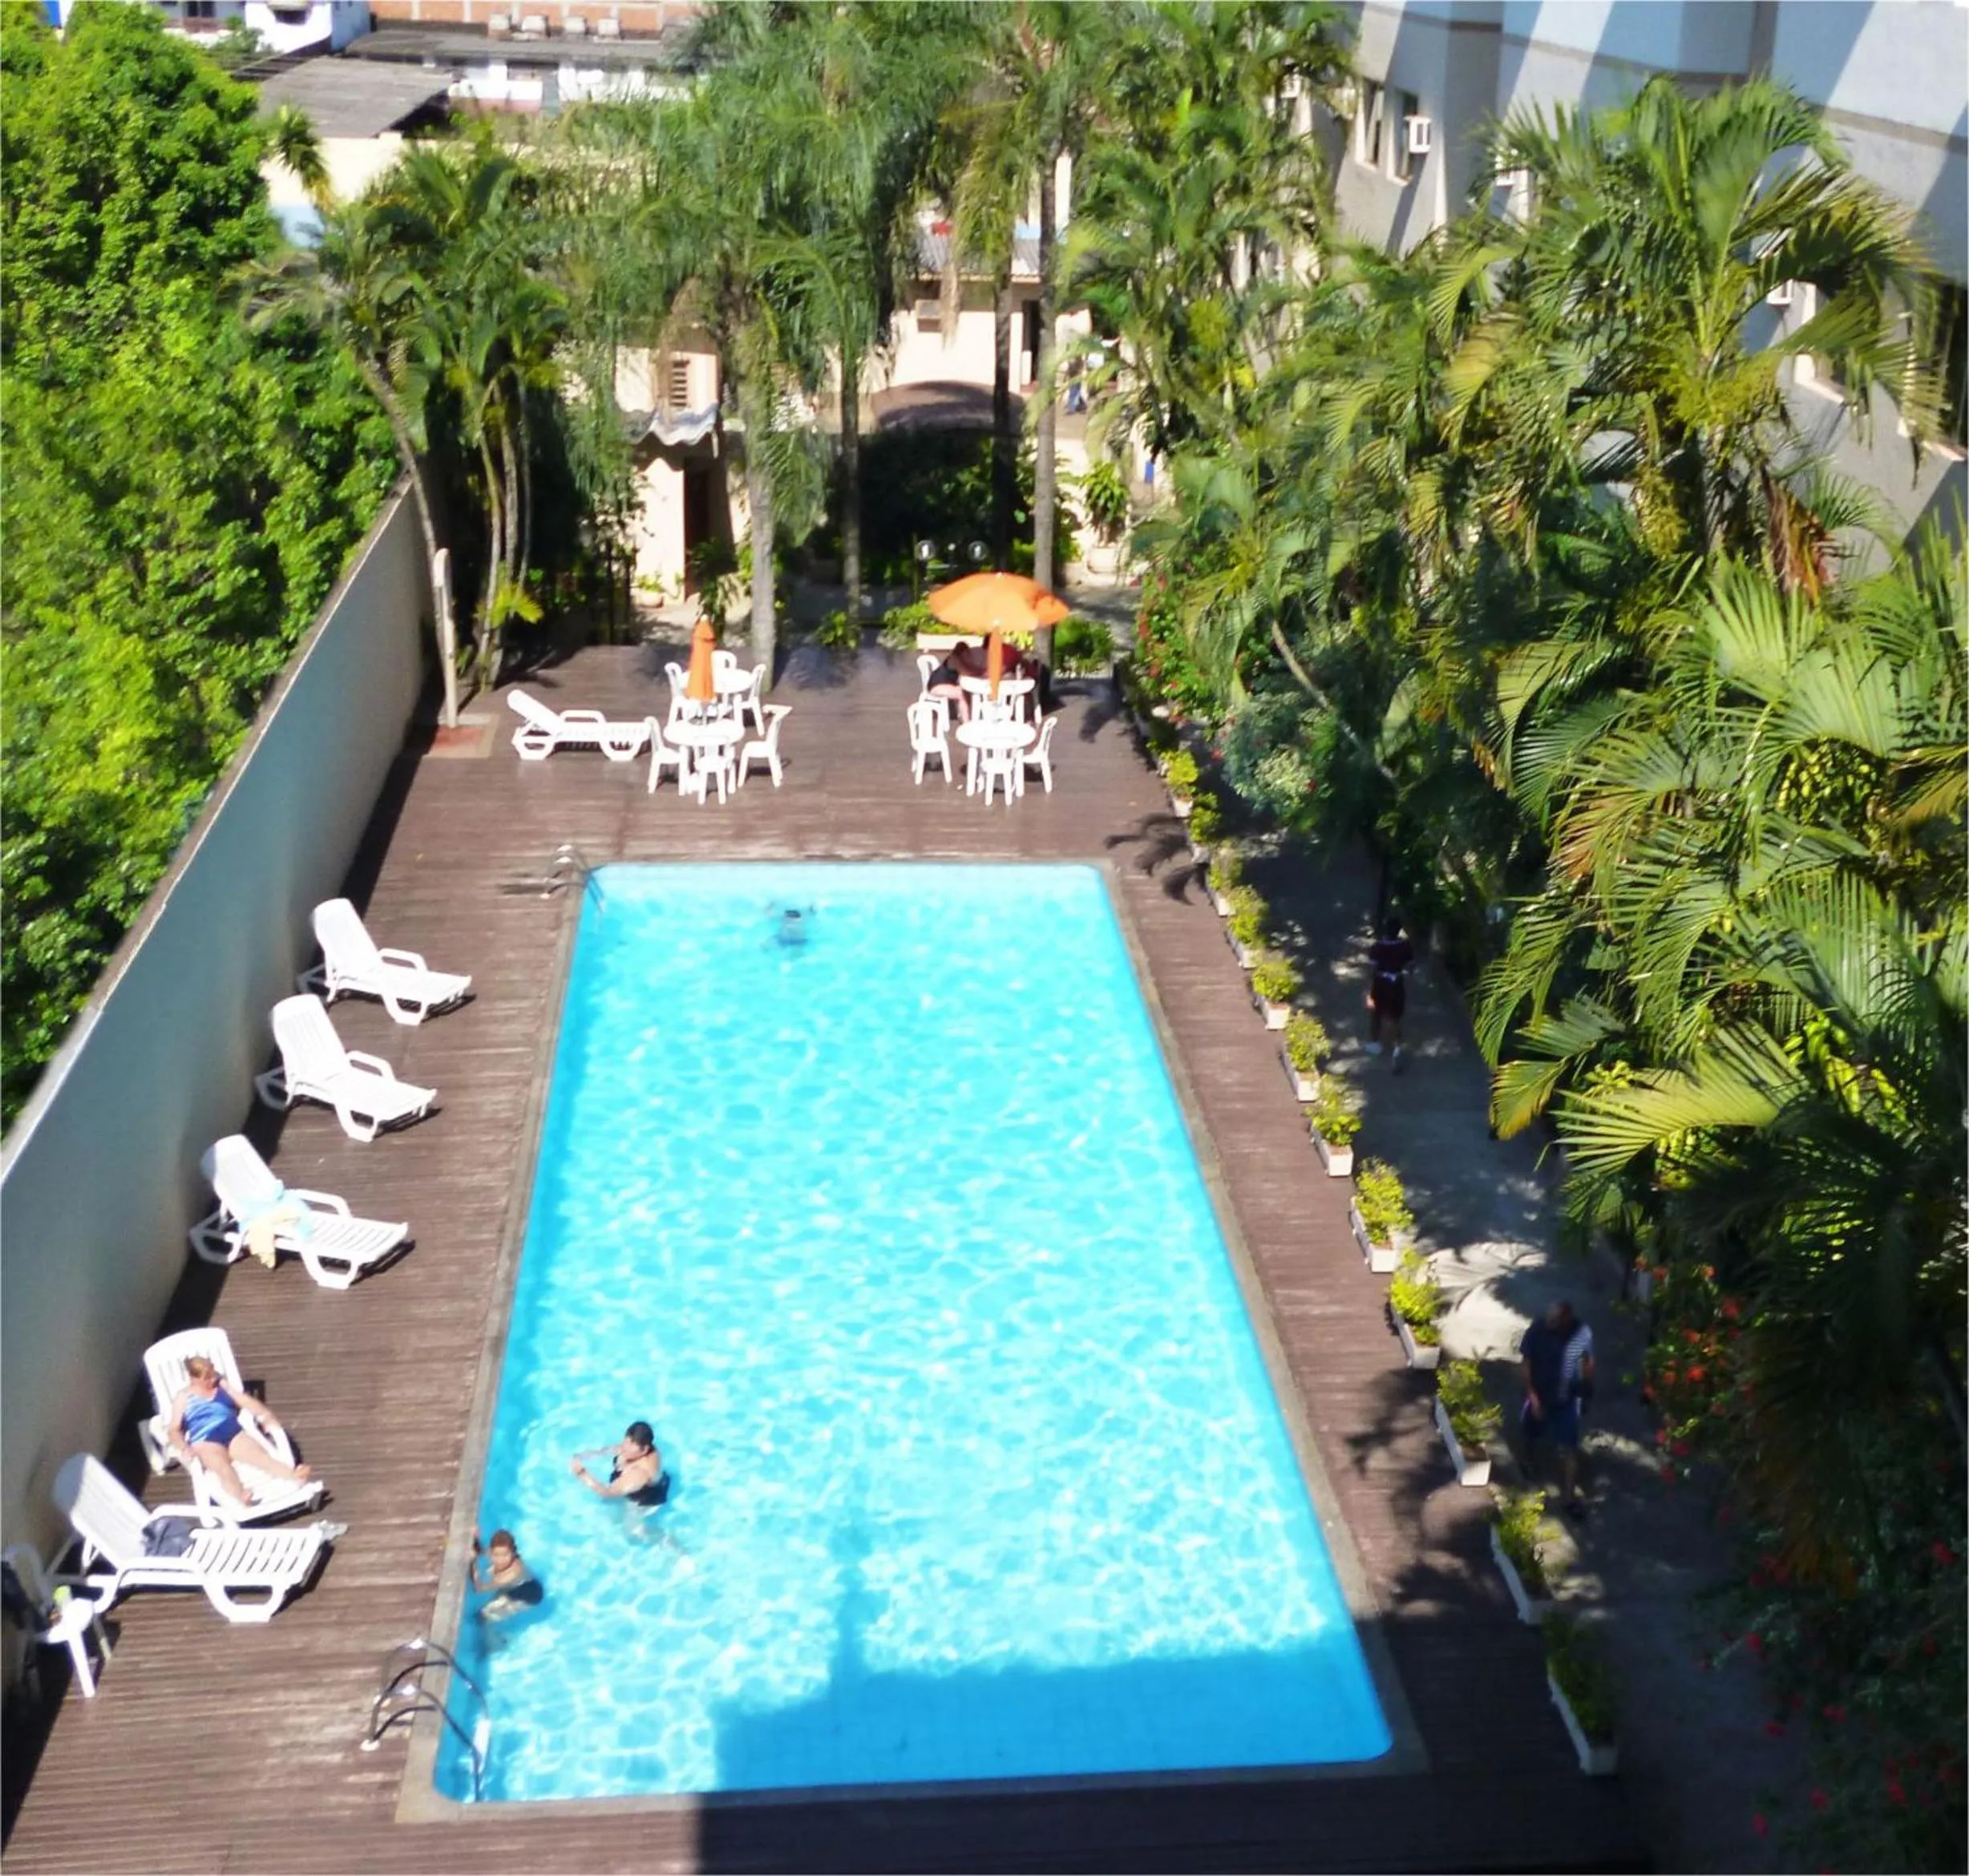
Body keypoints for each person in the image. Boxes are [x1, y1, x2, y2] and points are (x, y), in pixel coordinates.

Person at [165, 1355, 313, 1510]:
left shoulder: (221, 1386)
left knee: (259, 1456)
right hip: (206, 1440)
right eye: (206, 1378)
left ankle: (293, 1475)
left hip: (233, 1433)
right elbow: (174, 1429)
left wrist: (265, 1416)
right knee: (222, 1467)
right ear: (193, 1379)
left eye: (212, 1374)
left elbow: (245, 1401)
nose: (212, 1379)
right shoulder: (184, 1397)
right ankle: (240, 1495)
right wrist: (184, 1447)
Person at [1519, 1300, 1595, 1516]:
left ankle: (1569, 1497)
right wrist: (1532, 1397)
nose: (1549, 1322)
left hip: (1566, 1399)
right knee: (1530, 1430)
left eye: (1554, 1320)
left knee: (1570, 1446)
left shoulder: (1581, 1333)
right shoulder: (1537, 1330)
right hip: (1540, 1393)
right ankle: (1527, 1460)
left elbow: (1588, 1362)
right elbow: (1525, 1366)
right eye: (1549, 1318)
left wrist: (1587, 1389)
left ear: (1566, 1320)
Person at [571, 1421, 669, 1510]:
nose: (624, 1448)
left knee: (630, 1528)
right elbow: (617, 1449)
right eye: (626, 1442)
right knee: (621, 1459)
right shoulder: (642, 1445)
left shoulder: (639, 1473)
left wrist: (582, 1474)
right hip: (656, 1481)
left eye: (630, 1446)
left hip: (643, 1500)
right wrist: (590, 1454)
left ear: (644, 1450)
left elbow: (607, 1493)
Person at [1365, 915, 1415, 1067]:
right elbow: (1411, 966)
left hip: (1381, 983)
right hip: (1397, 982)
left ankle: (1376, 1044)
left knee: (1376, 1014)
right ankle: (1397, 1047)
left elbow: (1371, 969)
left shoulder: (1377, 947)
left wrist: (1369, 991)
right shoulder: (1405, 946)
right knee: (1394, 1016)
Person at [470, 1528, 543, 1622]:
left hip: (527, 1595)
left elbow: (479, 1589)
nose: (500, 1560)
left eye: (505, 1555)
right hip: (517, 1585)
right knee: (495, 1599)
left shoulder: (511, 1574)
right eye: (496, 1555)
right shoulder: (498, 1551)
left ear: (513, 1553)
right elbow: (482, 1551)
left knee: (483, 1616)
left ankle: (491, 1635)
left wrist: (473, 1563)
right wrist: (476, 1540)